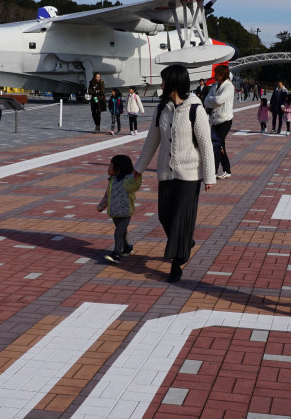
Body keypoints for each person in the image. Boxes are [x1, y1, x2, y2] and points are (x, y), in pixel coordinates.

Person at [134, 64, 216, 283]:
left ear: (173, 82)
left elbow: (206, 144)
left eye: (163, 80)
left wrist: (209, 176)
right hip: (166, 172)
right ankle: (184, 242)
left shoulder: (194, 108)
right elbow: (152, 141)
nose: (161, 84)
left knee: (180, 218)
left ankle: (176, 263)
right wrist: (139, 168)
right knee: (164, 215)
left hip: (190, 173)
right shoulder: (161, 108)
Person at [96, 154, 142, 263]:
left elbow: (135, 186)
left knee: (118, 233)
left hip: (125, 212)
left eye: (111, 165)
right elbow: (107, 194)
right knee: (123, 232)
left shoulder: (128, 180)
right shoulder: (112, 180)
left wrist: (138, 176)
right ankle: (128, 247)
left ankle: (116, 254)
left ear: (118, 168)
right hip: (115, 212)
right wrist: (101, 206)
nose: (109, 168)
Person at [203, 64, 235, 179]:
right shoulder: (215, 85)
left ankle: (214, 171)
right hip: (214, 120)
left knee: (216, 145)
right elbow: (206, 100)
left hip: (224, 120)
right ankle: (227, 169)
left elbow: (219, 100)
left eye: (216, 73)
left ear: (222, 74)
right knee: (220, 146)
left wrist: (213, 100)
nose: (214, 75)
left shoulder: (229, 86)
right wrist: (213, 100)